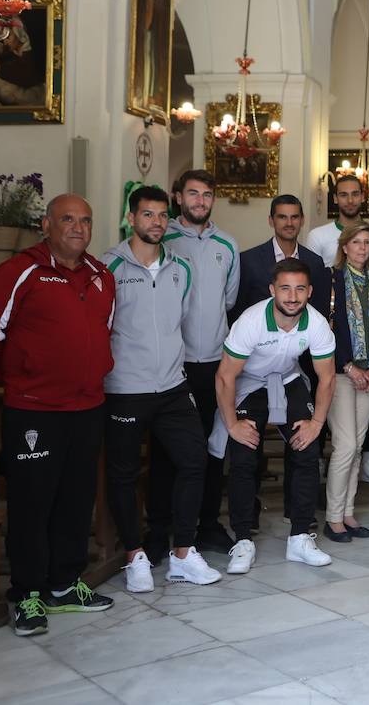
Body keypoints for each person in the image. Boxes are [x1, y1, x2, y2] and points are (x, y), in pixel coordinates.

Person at [0, 194, 117, 636]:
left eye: (86, 221)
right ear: (46, 224)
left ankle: (65, 584)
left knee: (76, 499)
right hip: (34, 410)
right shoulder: (21, 271)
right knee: (33, 501)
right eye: (68, 219)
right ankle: (27, 594)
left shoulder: (101, 277)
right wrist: (22, 381)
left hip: (87, 407)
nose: (78, 228)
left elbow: (103, 333)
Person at [102, 186, 221, 593]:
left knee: (194, 460)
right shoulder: (108, 268)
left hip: (172, 385)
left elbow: (179, 322)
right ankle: (135, 556)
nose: (155, 222)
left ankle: (183, 555)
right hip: (125, 388)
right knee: (122, 473)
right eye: (147, 215)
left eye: (161, 216)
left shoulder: (179, 269)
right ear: (132, 218)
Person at [215, 258, 337, 573]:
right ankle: (242, 540)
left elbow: (327, 378)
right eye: (285, 288)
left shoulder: (317, 322)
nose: (292, 297)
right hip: (248, 384)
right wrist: (232, 424)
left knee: (307, 450)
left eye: (299, 289)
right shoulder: (251, 321)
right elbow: (225, 376)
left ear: (310, 291)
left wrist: (316, 424)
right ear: (272, 290)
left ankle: (299, 537)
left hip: (286, 378)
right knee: (243, 454)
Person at [158, 169, 239, 553]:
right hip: (174, 364)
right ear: (178, 197)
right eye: (193, 194)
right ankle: (161, 529)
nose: (200, 202)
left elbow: (228, 300)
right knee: (166, 450)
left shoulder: (228, 243)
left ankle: (207, 524)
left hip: (214, 363)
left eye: (207, 195)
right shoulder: (163, 239)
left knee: (211, 447)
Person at [322, 223, 369, 543]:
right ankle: (333, 517)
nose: (362, 248)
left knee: (358, 447)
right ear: (344, 246)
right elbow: (325, 332)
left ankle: (348, 512)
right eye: (356, 242)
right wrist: (349, 367)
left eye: (367, 242)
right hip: (341, 374)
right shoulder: (330, 280)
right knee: (346, 446)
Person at [235, 195, 329, 318]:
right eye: (282, 217)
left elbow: (319, 310)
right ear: (271, 221)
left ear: (302, 220)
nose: (289, 223)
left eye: (294, 217)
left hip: (303, 335)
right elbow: (238, 310)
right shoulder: (248, 260)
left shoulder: (315, 262)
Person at [307, 174, 369, 268]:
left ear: (362, 197)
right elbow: (313, 277)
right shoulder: (317, 236)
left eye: (355, 194)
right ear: (335, 198)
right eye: (343, 195)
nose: (350, 200)